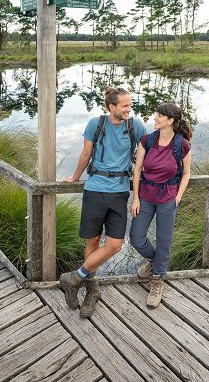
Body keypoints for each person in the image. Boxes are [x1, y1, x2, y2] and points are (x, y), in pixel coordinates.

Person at [60, 87, 146, 318]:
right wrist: (76, 177)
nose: (129, 109)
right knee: (93, 240)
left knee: (115, 245)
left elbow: (147, 153)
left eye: (130, 104)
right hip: (95, 189)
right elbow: (85, 154)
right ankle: (92, 289)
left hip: (119, 192)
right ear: (111, 107)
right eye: (125, 105)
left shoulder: (135, 126)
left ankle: (74, 278)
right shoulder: (95, 124)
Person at [130, 102, 192, 309]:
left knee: (165, 241)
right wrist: (136, 198)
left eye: (159, 115)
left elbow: (186, 174)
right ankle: (156, 262)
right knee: (136, 238)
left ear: (171, 120)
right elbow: (137, 170)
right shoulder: (147, 140)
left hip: (168, 199)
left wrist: (178, 197)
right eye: (156, 114)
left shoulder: (182, 144)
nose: (155, 118)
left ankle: (158, 279)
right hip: (146, 196)